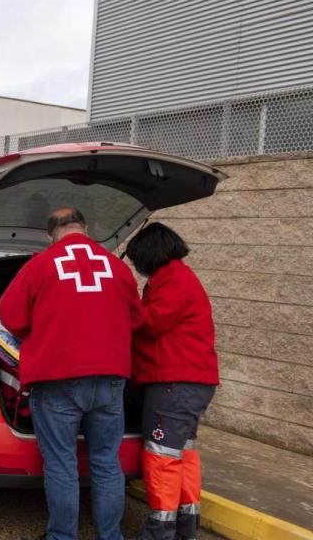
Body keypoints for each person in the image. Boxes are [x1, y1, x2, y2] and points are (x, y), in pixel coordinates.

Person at [0, 208, 142, 540]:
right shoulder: (116, 267)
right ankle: (111, 535)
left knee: (62, 465)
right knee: (107, 463)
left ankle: (62, 536)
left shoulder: (40, 264)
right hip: (110, 378)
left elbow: (11, 316)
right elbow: (135, 320)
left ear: (50, 235)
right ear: (86, 228)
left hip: (58, 378)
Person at [125, 223, 218, 540]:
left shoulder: (174, 280)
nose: (138, 268)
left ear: (150, 255)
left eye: (138, 261)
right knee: (183, 455)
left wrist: (122, 307)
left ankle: (159, 531)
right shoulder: (177, 277)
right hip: (189, 383)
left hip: (174, 384)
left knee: (161, 456)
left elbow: (150, 322)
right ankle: (184, 527)